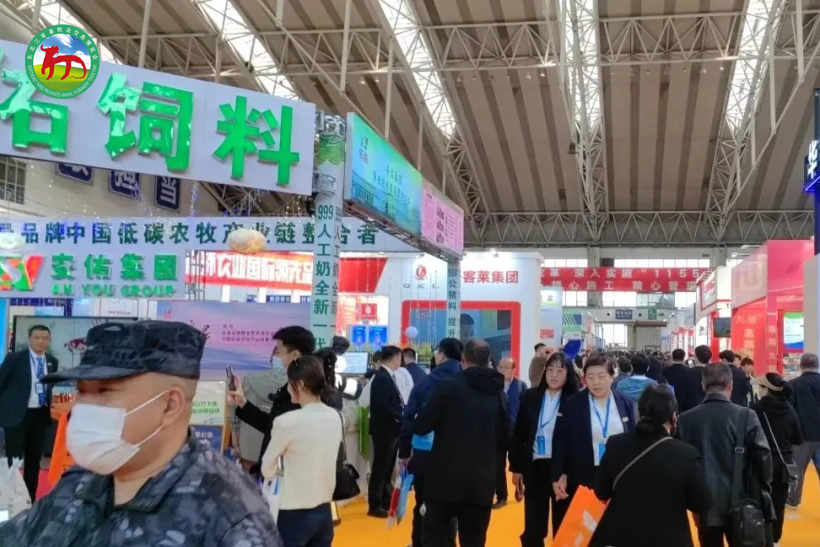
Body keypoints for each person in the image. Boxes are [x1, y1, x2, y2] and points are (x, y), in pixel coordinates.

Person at [0, 321, 281, 545]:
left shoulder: (230, 515)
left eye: (105, 391)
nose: (82, 407)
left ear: (170, 405)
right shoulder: (83, 480)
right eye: (82, 391)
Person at [414, 339, 509, 547]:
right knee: (474, 540)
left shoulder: (447, 387)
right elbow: (505, 438)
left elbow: (421, 426)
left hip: (443, 478)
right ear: (488, 360)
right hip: (481, 482)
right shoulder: (498, 393)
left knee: (435, 537)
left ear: (463, 359)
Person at [591, 384, 712, 547]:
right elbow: (702, 502)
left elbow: (601, 491)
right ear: (673, 417)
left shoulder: (616, 444)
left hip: (624, 538)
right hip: (670, 539)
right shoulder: (685, 454)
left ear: (638, 413)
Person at [676, 363, 773, 547]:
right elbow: (763, 456)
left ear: (703, 385)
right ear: (731, 385)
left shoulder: (684, 420)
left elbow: (680, 463)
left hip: (703, 502)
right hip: (742, 500)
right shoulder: (746, 416)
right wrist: (764, 487)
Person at [262, 355, 343, 547]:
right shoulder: (335, 416)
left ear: (299, 384)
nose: (287, 388)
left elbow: (266, 469)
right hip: (324, 510)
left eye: (289, 383)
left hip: (292, 514)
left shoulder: (286, 422)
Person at [551, 354, 636, 526]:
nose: (596, 382)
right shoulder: (573, 404)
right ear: (584, 379)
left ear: (612, 376)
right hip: (585, 475)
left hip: (619, 476)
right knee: (588, 527)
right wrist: (560, 474)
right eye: (590, 377)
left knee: (617, 526)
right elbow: (561, 442)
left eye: (601, 376)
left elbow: (634, 439)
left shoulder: (624, 402)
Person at [510, 353, 580, 546]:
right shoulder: (532, 396)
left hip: (563, 471)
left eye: (560, 371)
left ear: (568, 374)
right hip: (536, 467)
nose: (554, 375)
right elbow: (519, 433)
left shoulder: (575, 401)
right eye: (550, 370)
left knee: (563, 524)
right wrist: (516, 468)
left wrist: (568, 472)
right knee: (533, 526)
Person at [400, 338, 463, 547]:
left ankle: (419, 542)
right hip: (457, 455)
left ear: (442, 355)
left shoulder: (425, 382)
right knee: (452, 504)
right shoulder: (465, 381)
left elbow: (409, 417)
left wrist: (404, 451)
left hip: (425, 452)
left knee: (423, 502)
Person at [230, 326, 316, 477]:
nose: (276, 357)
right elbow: (272, 425)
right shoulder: (291, 387)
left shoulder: (306, 389)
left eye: (279, 352)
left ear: (294, 355)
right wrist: (243, 403)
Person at [0, 324, 59, 501]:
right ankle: (12, 498)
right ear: (29, 339)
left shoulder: (52, 361)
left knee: (34, 461)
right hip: (16, 416)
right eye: (37, 337)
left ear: (49, 340)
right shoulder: (15, 359)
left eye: (44, 338)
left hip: (39, 416)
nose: (40, 341)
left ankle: (30, 499)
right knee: (14, 460)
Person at [753, 373, 803, 547]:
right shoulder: (789, 410)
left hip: (759, 463)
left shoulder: (755, 410)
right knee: (779, 503)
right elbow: (798, 439)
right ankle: (775, 539)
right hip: (783, 465)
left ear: (766, 389)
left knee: (757, 501)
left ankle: (758, 534)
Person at [367, 345, 404, 517]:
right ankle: (375, 505)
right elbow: (381, 406)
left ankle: (385, 500)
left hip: (391, 429)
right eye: (399, 358)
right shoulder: (382, 377)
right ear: (395, 357)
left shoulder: (387, 376)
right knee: (381, 467)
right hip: (384, 430)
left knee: (387, 467)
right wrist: (400, 416)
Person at [787, 352, 820, 508]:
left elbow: (789, 411)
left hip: (802, 436)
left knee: (797, 470)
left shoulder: (793, 384)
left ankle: (793, 499)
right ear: (817, 365)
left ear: (801, 366)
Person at [494, 356, 525, 509]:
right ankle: (502, 496)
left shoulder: (520, 386)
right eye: (501, 367)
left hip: (515, 432)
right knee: (498, 466)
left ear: (514, 369)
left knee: (517, 464)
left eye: (507, 368)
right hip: (498, 432)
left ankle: (519, 486)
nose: (503, 370)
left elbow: (526, 409)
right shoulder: (493, 386)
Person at [663, 348, 700, 413]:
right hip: (685, 404)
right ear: (684, 357)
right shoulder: (690, 371)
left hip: (669, 401)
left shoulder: (665, 371)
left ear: (672, 357)